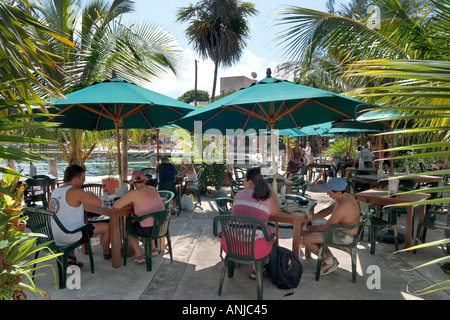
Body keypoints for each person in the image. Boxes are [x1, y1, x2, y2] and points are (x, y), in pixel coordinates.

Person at [49, 165, 111, 267]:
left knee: (72, 222)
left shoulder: (56, 190)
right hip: (69, 235)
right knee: (106, 227)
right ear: (77, 179)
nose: (83, 181)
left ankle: (71, 256)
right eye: (83, 178)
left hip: (55, 234)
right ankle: (107, 253)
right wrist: (91, 193)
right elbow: (98, 203)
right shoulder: (75, 191)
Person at [302, 178, 360, 275]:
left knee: (307, 239)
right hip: (340, 230)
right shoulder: (344, 196)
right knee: (310, 228)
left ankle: (329, 262)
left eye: (329, 192)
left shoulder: (343, 207)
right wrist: (311, 217)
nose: (327, 194)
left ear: (338, 193)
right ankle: (329, 259)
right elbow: (327, 210)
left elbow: (325, 228)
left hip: (345, 237)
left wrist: (302, 233)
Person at [230, 167, 279, 279]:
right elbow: (275, 211)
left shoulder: (238, 196)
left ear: (250, 182)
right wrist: (270, 188)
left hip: (232, 245)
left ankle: (239, 264)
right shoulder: (266, 198)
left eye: (244, 180)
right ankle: (258, 267)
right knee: (269, 236)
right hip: (255, 249)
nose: (243, 182)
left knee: (249, 231)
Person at [113, 170, 165, 264]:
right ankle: (153, 249)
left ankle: (138, 255)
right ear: (144, 180)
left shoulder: (134, 193)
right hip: (161, 227)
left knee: (130, 228)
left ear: (132, 182)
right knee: (149, 220)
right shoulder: (153, 189)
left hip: (148, 230)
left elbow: (116, 205)